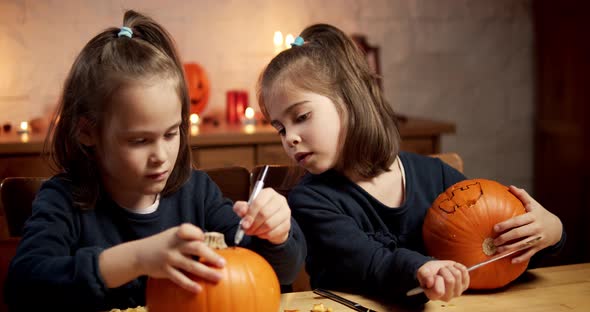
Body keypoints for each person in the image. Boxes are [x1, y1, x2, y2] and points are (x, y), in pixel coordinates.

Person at [4, 10, 305, 312]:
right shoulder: (63, 201)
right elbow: (23, 289)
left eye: (171, 134)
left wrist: (276, 236)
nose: (161, 157)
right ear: (86, 131)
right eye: (139, 141)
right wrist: (137, 259)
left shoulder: (197, 193)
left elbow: (272, 274)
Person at [256, 23, 565, 305]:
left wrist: (550, 233)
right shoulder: (312, 200)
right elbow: (373, 263)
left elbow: (495, 253)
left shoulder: (438, 177)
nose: (290, 138)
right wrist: (422, 269)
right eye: (280, 128)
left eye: (301, 117)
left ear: (349, 101)